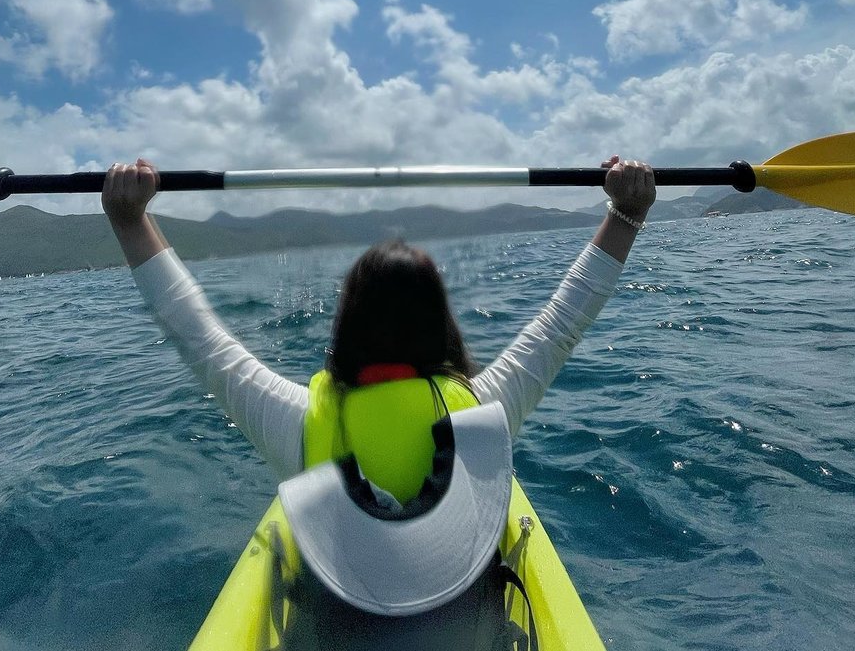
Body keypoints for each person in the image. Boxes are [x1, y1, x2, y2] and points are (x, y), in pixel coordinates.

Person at [102, 156, 655, 645]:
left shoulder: (296, 422)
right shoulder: (486, 412)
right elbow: (562, 322)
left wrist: (130, 221)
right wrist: (626, 215)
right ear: (442, 327)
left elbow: (199, 336)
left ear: (346, 328)